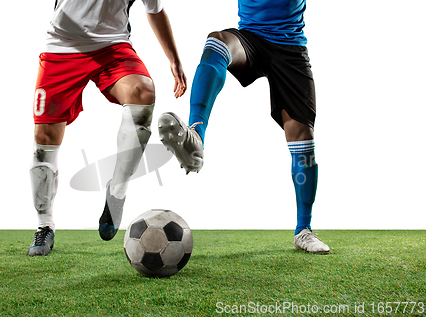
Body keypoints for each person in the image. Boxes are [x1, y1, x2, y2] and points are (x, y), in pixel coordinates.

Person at [158, 0, 329, 254]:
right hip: (250, 38)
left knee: (302, 137)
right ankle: (196, 137)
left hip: (290, 47)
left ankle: (304, 229)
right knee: (217, 42)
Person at [28, 0, 187, 256]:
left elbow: (155, 9)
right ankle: (44, 225)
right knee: (44, 140)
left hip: (112, 48)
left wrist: (174, 60)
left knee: (143, 92)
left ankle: (118, 189)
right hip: (62, 47)